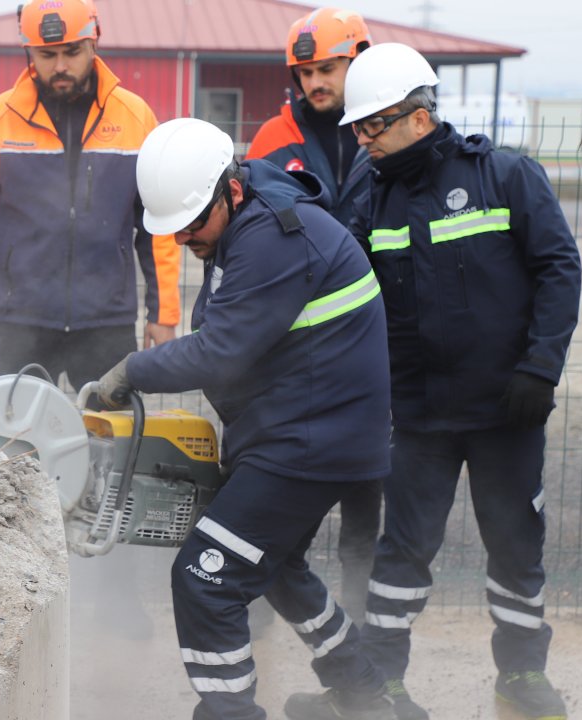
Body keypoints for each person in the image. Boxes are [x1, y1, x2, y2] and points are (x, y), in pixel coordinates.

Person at [96, 117, 396, 720]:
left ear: (230, 190)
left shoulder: (273, 239)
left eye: (191, 223)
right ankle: (363, 696)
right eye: (173, 228)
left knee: (205, 577)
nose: (183, 238)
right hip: (306, 428)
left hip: (310, 440)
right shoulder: (245, 218)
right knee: (276, 567)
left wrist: (134, 369)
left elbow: (221, 349)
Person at [331, 43, 582, 720]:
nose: (363, 139)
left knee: (516, 546)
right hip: (417, 416)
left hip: (508, 409)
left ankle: (521, 675)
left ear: (418, 116)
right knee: (402, 553)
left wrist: (540, 368)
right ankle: (382, 681)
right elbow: (347, 300)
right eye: (357, 128)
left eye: (373, 125)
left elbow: (559, 268)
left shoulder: (504, 176)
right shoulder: (369, 199)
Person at [0, 0, 180, 390]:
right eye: (47, 55)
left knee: (110, 426)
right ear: (29, 53)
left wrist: (164, 314)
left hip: (106, 321)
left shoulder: (135, 118)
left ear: (93, 43)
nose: (60, 66)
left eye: (72, 52)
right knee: (24, 428)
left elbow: (158, 225)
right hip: (23, 320)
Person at [246, 6, 379, 627]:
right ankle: (265, 613)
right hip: (297, 345)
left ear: (360, 60)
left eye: (329, 68)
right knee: (283, 492)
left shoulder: (386, 133)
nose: (315, 82)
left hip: (374, 341)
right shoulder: (271, 143)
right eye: (305, 72)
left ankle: (361, 614)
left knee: (366, 495)